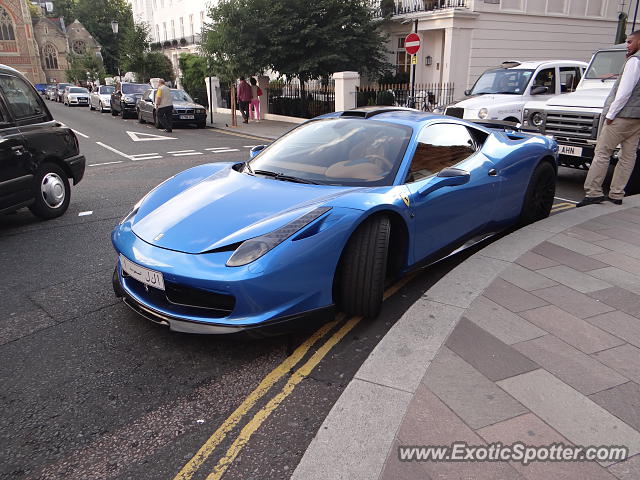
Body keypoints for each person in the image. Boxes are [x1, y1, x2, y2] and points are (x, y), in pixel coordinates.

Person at [577, 31, 640, 207]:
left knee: (602, 153)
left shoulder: (634, 61)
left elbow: (624, 92)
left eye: (630, 41)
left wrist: (611, 115)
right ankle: (617, 194)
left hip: (621, 116)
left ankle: (593, 192)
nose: (627, 45)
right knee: (628, 156)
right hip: (637, 118)